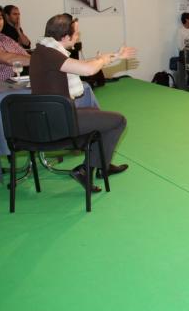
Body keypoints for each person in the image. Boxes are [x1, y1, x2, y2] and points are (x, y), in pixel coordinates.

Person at [31, 14, 136, 192]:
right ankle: (88, 169)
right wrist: (101, 60)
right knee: (118, 121)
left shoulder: (45, 50)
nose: (78, 37)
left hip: (50, 117)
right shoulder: (50, 54)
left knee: (97, 115)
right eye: (77, 33)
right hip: (58, 123)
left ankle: (101, 164)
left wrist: (115, 56)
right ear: (65, 37)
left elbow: (81, 64)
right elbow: (87, 69)